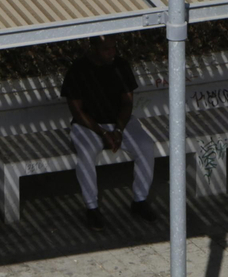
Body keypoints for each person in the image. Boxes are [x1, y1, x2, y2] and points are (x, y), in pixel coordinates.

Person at [61, 36, 157, 230]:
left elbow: (128, 102)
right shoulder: (78, 69)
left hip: (120, 122)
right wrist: (103, 133)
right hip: (88, 125)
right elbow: (77, 111)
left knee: (146, 147)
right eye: (106, 49)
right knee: (86, 153)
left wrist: (118, 129)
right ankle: (92, 208)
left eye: (114, 48)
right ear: (93, 47)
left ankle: (139, 201)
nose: (112, 53)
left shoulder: (120, 65)